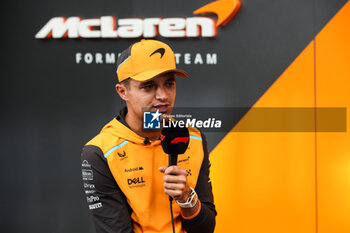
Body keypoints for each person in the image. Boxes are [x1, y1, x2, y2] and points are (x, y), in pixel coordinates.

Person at [81, 39, 216, 233]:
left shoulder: (193, 138)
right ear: (122, 91)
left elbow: (206, 229)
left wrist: (187, 198)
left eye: (169, 83)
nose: (163, 95)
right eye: (148, 86)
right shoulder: (100, 151)